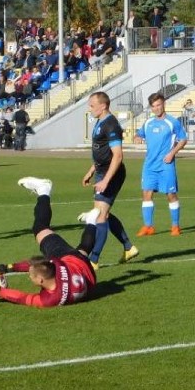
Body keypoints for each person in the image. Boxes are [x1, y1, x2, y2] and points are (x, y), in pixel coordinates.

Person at [0, 177, 97, 308]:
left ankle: (44, 189)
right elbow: (38, 265)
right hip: (72, 262)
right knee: (50, 235)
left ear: (41, 280)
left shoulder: (50, 298)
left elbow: (23, 298)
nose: (29, 276)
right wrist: (7, 269)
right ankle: (91, 221)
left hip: (88, 277)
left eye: (31, 276)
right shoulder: (56, 263)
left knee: (41, 228)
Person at [77, 91, 138, 270]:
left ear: (103, 106)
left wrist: (105, 181)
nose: (90, 108)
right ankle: (129, 247)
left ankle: (93, 260)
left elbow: (117, 156)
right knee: (104, 214)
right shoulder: (99, 121)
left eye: (92, 105)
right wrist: (91, 170)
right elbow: (101, 152)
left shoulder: (111, 125)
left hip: (111, 174)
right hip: (102, 172)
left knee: (99, 215)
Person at [134, 93, 188, 236]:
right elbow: (138, 134)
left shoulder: (172, 122)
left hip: (166, 165)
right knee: (146, 193)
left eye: (159, 105)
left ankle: (175, 226)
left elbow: (183, 139)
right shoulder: (148, 123)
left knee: (171, 194)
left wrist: (172, 153)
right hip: (149, 165)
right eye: (153, 106)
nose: (156, 108)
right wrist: (138, 137)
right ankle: (148, 226)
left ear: (163, 104)